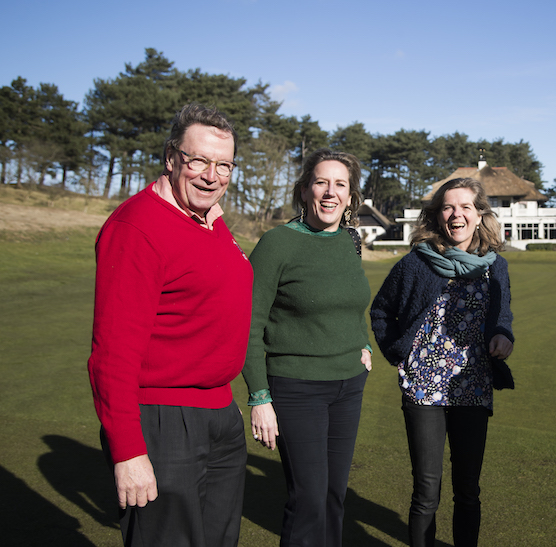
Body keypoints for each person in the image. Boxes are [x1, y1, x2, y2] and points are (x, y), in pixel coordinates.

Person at [87, 103, 252, 546]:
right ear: (171, 157)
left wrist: (222, 399)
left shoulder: (211, 223)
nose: (210, 175)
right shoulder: (137, 226)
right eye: (198, 160)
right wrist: (128, 451)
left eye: (223, 165)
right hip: (162, 420)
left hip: (217, 413)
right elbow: (112, 352)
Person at [370, 177, 514, 547]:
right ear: (436, 215)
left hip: (473, 385)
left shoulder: (494, 266)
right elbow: (382, 310)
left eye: (466, 207)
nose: (457, 215)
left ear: (480, 214)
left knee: (468, 489)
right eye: (448, 207)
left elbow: (502, 317)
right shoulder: (416, 263)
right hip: (423, 388)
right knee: (427, 491)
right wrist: (397, 353)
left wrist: (503, 336)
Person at [242, 148, 372, 547]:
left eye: (340, 185)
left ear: (351, 197)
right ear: (304, 191)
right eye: (321, 183)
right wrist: (259, 397)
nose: (330, 193)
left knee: (334, 496)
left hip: (348, 386)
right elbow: (249, 324)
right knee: (309, 498)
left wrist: (362, 343)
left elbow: (348, 302)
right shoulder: (277, 243)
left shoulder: (351, 240)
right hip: (297, 389)